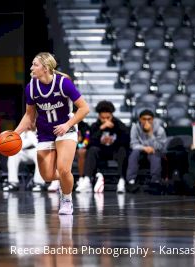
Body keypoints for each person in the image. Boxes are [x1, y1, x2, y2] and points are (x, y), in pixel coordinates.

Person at [14, 52, 89, 215]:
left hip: (65, 129)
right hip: (45, 132)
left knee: (63, 169)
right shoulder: (31, 88)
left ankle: (67, 199)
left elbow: (84, 108)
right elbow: (29, 116)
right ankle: (66, 181)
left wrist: (67, 124)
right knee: (47, 176)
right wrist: (14, 134)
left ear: (46, 68)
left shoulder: (63, 84)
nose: (31, 67)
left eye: (35, 64)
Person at [75, 100, 129, 193]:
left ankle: (122, 180)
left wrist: (114, 137)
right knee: (92, 150)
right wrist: (101, 129)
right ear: (99, 116)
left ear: (112, 115)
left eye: (108, 117)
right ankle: (87, 179)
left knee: (122, 150)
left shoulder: (119, 124)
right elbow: (89, 142)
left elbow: (126, 140)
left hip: (114, 151)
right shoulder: (95, 126)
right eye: (102, 118)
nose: (105, 120)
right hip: (101, 151)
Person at [124, 109, 166, 193]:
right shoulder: (135, 127)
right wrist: (144, 148)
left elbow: (160, 147)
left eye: (149, 119)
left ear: (153, 119)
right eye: (144, 119)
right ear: (140, 119)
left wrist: (150, 134)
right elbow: (133, 144)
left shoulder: (160, 130)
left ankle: (155, 182)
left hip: (154, 151)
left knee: (155, 155)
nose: (146, 121)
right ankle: (131, 181)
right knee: (134, 153)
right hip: (140, 151)